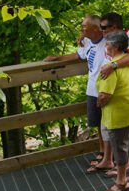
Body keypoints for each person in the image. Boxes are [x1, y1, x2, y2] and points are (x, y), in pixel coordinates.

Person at [43, 15, 109, 170]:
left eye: (84, 26)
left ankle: (110, 157)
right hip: (92, 88)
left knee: (108, 124)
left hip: (107, 89)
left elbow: (127, 48)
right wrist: (57, 58)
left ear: (95, 28)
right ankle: (103, 151)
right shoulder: (86, 42)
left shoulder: (109, 41)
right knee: (98, 123)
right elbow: (78, 55)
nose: (81, 29)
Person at [96, 31, 129, 191]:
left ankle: (121, 182)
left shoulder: (110, 69)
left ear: (115, 47)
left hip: (118, 115)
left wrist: (99, 103)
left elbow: (105, 95)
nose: (105, 46)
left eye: (107, 44)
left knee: (120, 148)